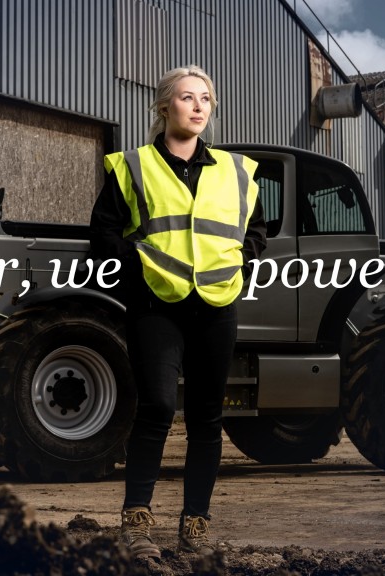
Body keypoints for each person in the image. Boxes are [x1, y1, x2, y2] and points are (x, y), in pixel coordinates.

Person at [89, 65, 266, 559]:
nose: (198, 106)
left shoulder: (236, 170)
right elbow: (102, 233)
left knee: (208, 417)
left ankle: (196, 528)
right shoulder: (135, 165)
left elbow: (255, 232)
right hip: (155, 305)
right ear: (164, 106)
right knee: (158, 407)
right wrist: (137, 268)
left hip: (216, 304)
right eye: (187, 97)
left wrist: (241, 258)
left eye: (205, 99)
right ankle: (137, 523)